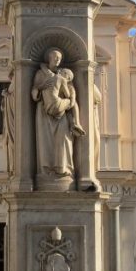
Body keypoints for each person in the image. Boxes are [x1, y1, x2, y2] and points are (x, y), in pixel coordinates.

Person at [31, 47, 84, 184]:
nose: (57, 61)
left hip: (62, 114)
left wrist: (69, 100)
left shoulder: (64, 76)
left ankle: (63, 168)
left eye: (59, 59)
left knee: (64, 140)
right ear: (49, 58)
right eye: (55, 58)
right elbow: (34, 93)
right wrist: (42, 86)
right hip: (43, 114)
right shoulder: (40, 74)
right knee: (45, 141)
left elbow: (71, 94)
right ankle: (46, 169)